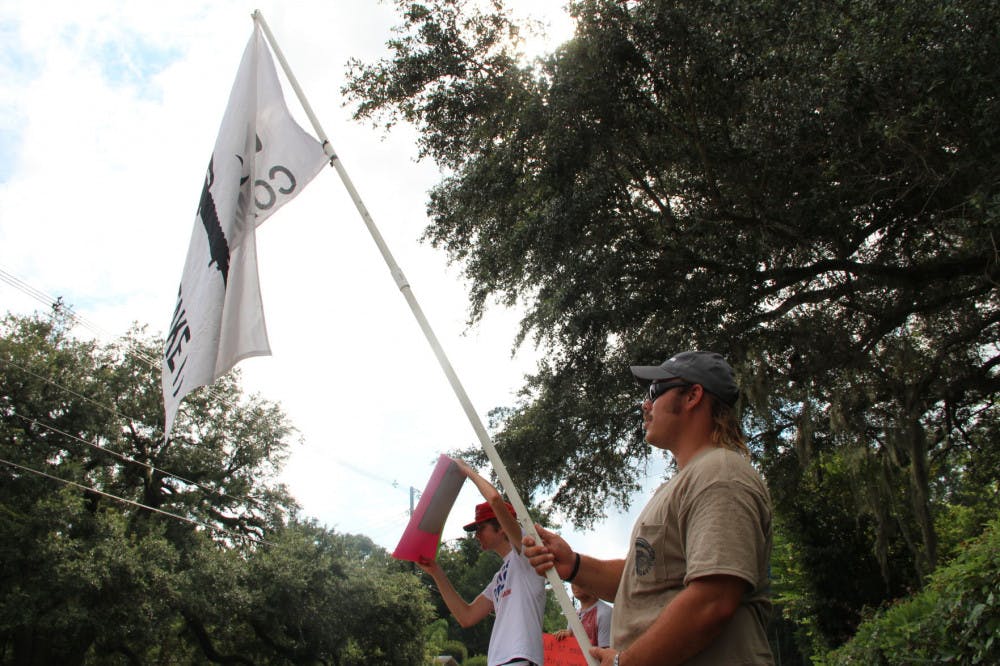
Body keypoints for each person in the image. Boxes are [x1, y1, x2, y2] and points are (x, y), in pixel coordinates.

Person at [524, 351, 774, 666]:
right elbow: (642, 581)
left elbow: (713, 601)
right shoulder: (686, 482)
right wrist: (573, 565)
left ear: (693, 396)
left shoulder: (719, 475)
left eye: (654, 392)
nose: (645, 405)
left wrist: (625, 663)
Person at [418, 459, 546, 666]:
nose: (476, 535)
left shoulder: (525, 554)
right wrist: (435, 572)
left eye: (481, 528)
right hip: (499, 661)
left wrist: (467, 471)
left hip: (519, 659)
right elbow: (466, 617)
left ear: (502, 527)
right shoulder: (499, 577)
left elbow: (495, 499)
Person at [553, 582, 613, 648]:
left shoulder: (605, 613)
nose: (574, 585)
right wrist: (563, 637)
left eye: (579, 580)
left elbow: (605, 652)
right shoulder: (574, 615)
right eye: (572, 581)